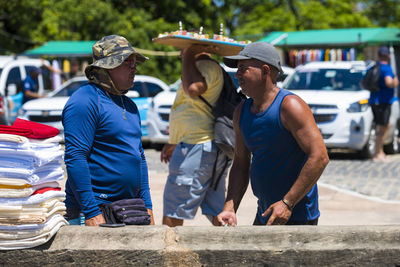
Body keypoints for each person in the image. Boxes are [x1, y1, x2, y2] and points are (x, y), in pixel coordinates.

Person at [217, 42, 329, 226]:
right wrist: (230, 207)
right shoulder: (241, 111)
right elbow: (240, 163)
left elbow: (320, 157)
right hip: (265, 212)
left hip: (297, 216)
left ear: (265, 70)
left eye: (243, 69)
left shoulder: (290, 106)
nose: (237, 75)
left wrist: (287, 203)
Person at [62, 35, 154, 226]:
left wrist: (148, 205)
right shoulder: (85, 100)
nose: (134, 68)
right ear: (107, 66)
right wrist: (91, 212)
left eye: (135, 63)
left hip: (129, 209)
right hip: (95, 211)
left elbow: (140, 158)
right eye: (128, 62)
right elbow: (75, 157)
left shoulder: (129, 105)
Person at [161, 45, 230, 227]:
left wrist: (189, 53)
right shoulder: (198, 67)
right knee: (216, 211)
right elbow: (190, 111)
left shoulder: (206, 67)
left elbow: (193, 89)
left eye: (181, 48)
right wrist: (174, 143)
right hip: (198, 145)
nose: (179, 53)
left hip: (197, 147)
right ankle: (228, 251)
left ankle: (169, 254)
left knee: (173, 209)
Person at [369, 46, 399, 162]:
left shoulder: (374, 67)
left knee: (382, 127)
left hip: (374, 101)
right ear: (388, 56)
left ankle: (380, 151)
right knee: (382, 128)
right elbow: (389, 82)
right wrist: (395, 81)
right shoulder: (386, 68)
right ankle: (377, 154)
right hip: (383, 102)